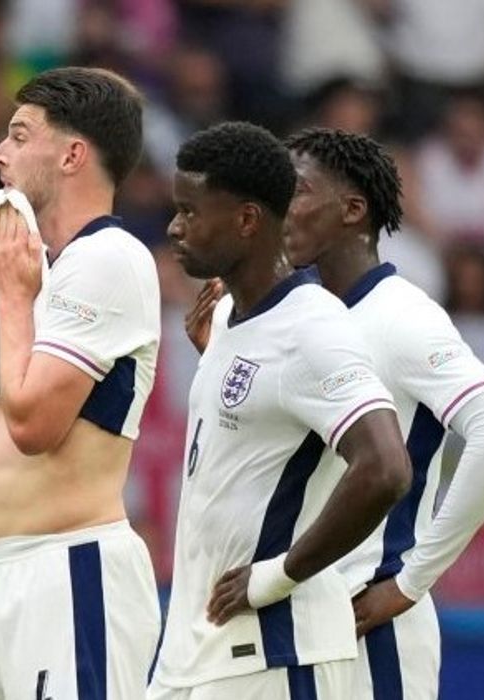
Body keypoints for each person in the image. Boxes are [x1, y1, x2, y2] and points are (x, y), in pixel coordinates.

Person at [185, 127, 484, 700]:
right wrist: (218, 359)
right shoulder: (292, 317)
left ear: (352, 210)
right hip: (298, 621)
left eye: (297, 191)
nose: (279, 208)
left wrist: (411, 582)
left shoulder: (402, 316)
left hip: (372, 622)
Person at [150, 121, 412, 699]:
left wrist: (277, 575)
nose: (174, 226)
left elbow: (386, 467)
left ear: (247, 220)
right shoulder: (226, 318)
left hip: (276, 652)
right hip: (198, 651)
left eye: (190, 211)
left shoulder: (314, 326)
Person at [0, 67, 163, 699]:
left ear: (72, 155)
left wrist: (13, 298)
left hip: (74, 567)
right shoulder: (33, 268)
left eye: (18, 135)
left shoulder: (109, 258)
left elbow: (33, 427)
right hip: (5, 574)